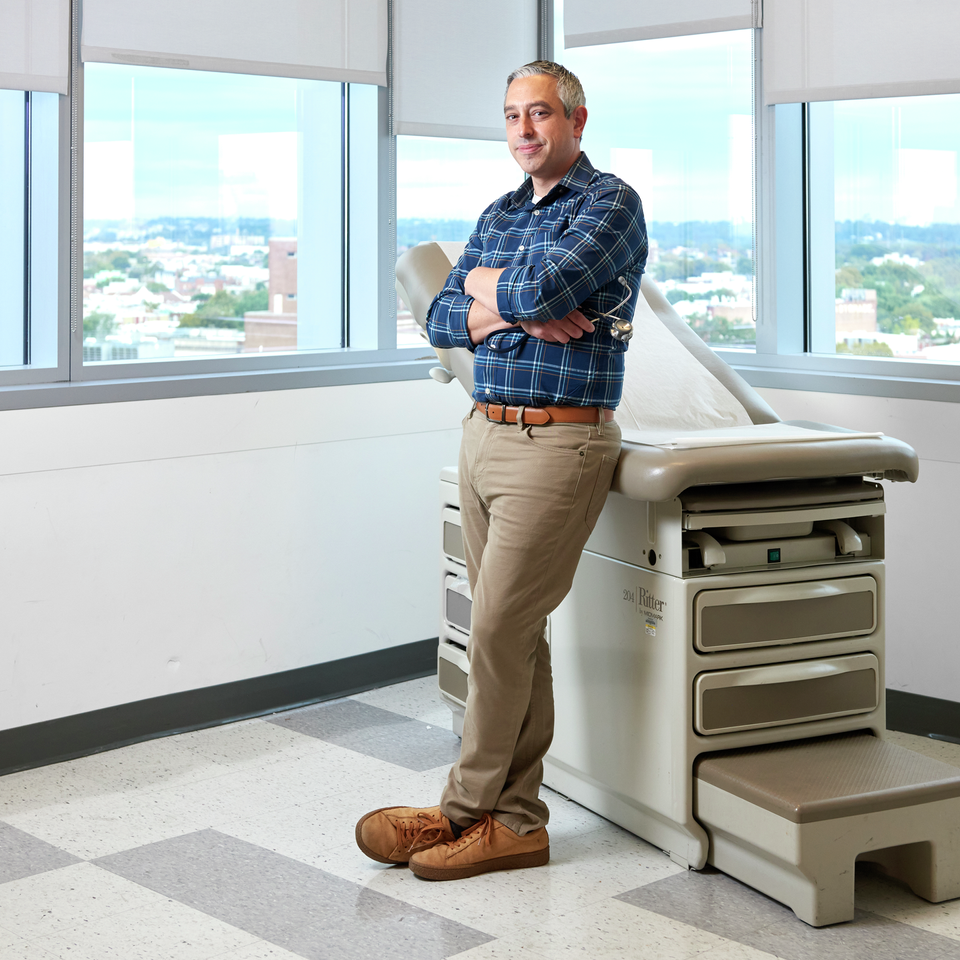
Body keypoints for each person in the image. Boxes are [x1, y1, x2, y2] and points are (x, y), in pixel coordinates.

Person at [355, 60, 646, 881]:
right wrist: (506, 302)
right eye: (514, 115)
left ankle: (457, 811)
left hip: (562, 443)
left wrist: (493, 291)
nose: (525, 130)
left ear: (577, 121)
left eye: (542, 114)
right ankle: (517, 824)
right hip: (484, 434)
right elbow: (442, 313)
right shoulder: (500, 211)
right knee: (516, 636)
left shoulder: (610, 203)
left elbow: (551, 280)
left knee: (495, 629)